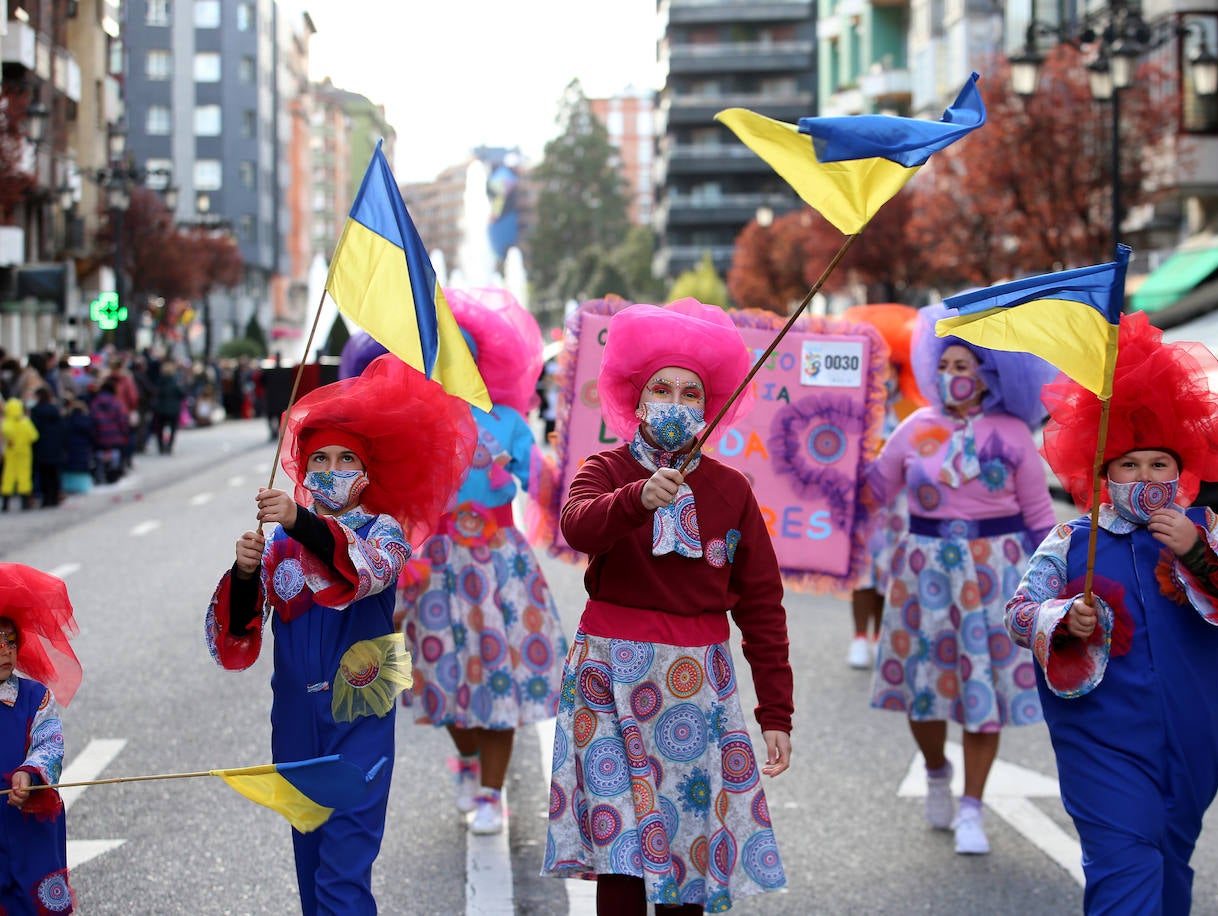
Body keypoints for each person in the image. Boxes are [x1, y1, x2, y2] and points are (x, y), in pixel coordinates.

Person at [1006, 312, 1218, 915]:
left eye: (1160, 464)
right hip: (1101, 736)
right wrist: (1059, 620)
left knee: (1169, 857)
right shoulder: (1072, 540)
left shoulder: (1208, 530)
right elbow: (1018, 613)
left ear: (1181, 472)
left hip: (1193, 730)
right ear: (1104, 474)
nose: (1146, 476)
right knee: (1124, 862)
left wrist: (1197, 552)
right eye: (1129, 464)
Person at [542, 299, 794, 915]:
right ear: (637, 397)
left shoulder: (732, 489)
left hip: (696, 686)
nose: (675, 403)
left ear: (708, 407)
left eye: (690, 392)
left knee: (687, 852)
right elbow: (576, 526)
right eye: (662, 389)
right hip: (607, 678)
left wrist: (776, 712)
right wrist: (636, 498)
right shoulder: (604, 468)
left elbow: (762, 605)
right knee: (621, 852)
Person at [204, 355, 476, 915]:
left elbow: (362, 573)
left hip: (363, 711)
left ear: (367, 471)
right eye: (319, 458)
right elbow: (235, 636)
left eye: (345, 458)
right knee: (311, 865)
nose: (331, 469)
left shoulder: (386, 532)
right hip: (295, 719)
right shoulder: (278, 542)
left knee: (344, 870)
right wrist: (245, 573)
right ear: (302, 469)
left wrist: (301, 522)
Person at [866, 303, 1059, 855]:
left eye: (966, 364)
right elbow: (872, 493)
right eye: (946, 363)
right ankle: (934, 771)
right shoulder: (913, 427)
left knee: (984, 693)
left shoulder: (1014, 433)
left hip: (994, 572)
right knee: (923, 694)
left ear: (990, 374)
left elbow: (1040, 519)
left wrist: (1052, 584)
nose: (955, 374)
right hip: (922, 571)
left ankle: (973, 807)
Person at [395, 287, 565, 836]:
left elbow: (546, 489)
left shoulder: (510, 421)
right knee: (441, 682)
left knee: (501, 684)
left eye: (465, 355)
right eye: (446, 356)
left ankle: (491, 793)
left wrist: (573, 467)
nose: (456, 366)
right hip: (436, 568)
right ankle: (467, 760)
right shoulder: (417, 422)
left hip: (499, 568)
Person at [841, 304, 924, 669]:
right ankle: (860, 637)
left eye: (889, 365)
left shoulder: (911, 410)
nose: (883, 373)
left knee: (892, 573)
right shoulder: (854, 409)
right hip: (863, 506)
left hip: (901, 510)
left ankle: (880, 637)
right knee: (863, 572)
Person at [0, 563, 82, 915]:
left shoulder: (35, 697)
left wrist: (30, 773)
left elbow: (49, 743)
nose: (5, 651)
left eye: (10, 641)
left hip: (26, 827)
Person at [29, 387, 65, 508]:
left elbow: (33, 429)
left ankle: (46, 498)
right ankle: (55, 497)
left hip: (41, 446)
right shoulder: (55, 410)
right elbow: (62, 428)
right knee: (54, 473)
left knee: (44, 474)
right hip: (55, 446)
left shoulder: (36, 411)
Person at [2, 398, 38, 511]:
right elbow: (34, 436)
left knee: (8, 476)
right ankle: (25, 502)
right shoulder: (26, 422)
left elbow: (6, 434)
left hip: (11, 453)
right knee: (24, 476)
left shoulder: (6, 423)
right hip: (24, 453)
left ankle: (5, 503)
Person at [149, 360, 187, 455]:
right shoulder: (176, 382)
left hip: (160, 409)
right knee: (173, 429)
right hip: (173, 409)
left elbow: (155, 393)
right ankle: (169, 446)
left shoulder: (159, 382)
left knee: (160, 429)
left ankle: (161, 446)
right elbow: (183, 394)